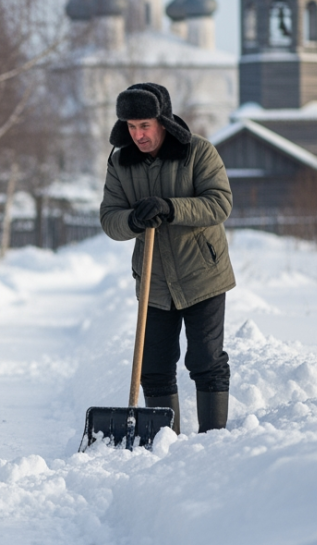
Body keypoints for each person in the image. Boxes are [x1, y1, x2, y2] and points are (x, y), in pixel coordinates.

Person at [99, 83, 236, 434]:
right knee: (155, 366)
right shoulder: (120, 162)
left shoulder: (198, 152)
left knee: (205, 360)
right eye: (131, 127)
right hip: (154, 280)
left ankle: (214, 437)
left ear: (162, 121)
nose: (138, 134)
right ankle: (165, 442)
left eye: (144, 126)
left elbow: (220, 203)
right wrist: (132, 220)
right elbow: (109, 218)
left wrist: (171, 207)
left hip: (202, 274)